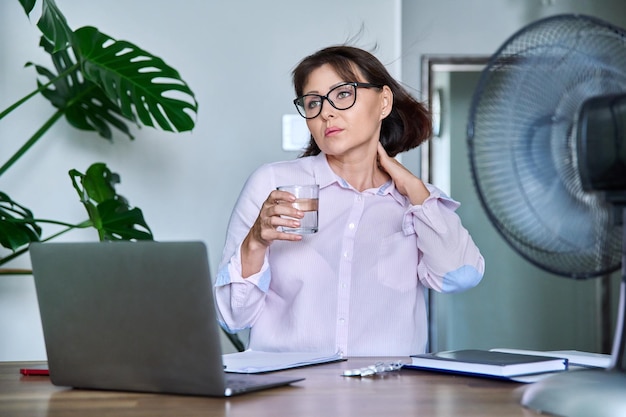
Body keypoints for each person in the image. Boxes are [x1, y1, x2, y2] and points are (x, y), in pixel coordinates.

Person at [214, 45, 484, 356]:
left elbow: (460, 276)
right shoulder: (273, 185)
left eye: (343, 94)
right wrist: (255, 243)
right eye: (313, 102)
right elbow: (232, 317)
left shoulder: (414, 202)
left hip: (388, 394)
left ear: (383, 101)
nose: (326, 112)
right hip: (286, 393)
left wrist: (415, 190)